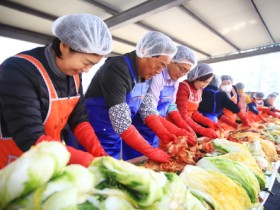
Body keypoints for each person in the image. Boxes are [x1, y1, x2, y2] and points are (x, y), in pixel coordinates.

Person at [0, 14, 112, 169]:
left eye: (93, 65)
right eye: (86, 62)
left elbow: (79, 119)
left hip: (51, 156)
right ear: (64, 46)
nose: (86, 70)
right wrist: (86, 160)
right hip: (15, 160)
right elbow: (29, 136)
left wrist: (98, 151)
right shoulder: (18, 70)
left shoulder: (74, 74)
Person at [83, 31, 177, 162]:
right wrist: (150, 151)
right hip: (93, 136)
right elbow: (121, 121)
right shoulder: (117, 68)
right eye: (160, 65)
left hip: (113, 136)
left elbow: (147, 109)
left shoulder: (146, 75)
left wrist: (164, 134)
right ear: (145, 53)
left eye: (164, 67)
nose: (159, 71)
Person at [127, 46, 198, 159]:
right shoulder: (157, 76)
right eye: (181, 69)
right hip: (142, 126)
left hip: (159, 126)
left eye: (186, 72)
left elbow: (171, 106)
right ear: (171, 62)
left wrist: (185, 127)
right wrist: (177, 130)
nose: (182, 74)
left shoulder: (175, 81)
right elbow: (150, 110)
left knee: (155, 156)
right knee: (139, 159)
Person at [176, 63, 222, 139]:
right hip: (176, 125)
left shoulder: (199, 90)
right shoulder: (183, 87)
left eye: (208, 82)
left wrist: (209, 122)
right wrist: (201, 130)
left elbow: (193, 113)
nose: (205, 85)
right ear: (196, 77)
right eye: (204, 82)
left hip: (188, 125)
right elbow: (182, 115)